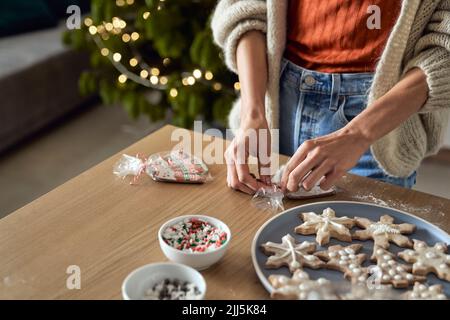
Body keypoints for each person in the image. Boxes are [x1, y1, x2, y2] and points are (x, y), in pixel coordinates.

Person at [211, 0, 450, 195]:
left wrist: (358, 134)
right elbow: (244, 9)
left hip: (381, 124)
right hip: (277, 104)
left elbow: (445, 50)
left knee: (367, 247)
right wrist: (253, 112)